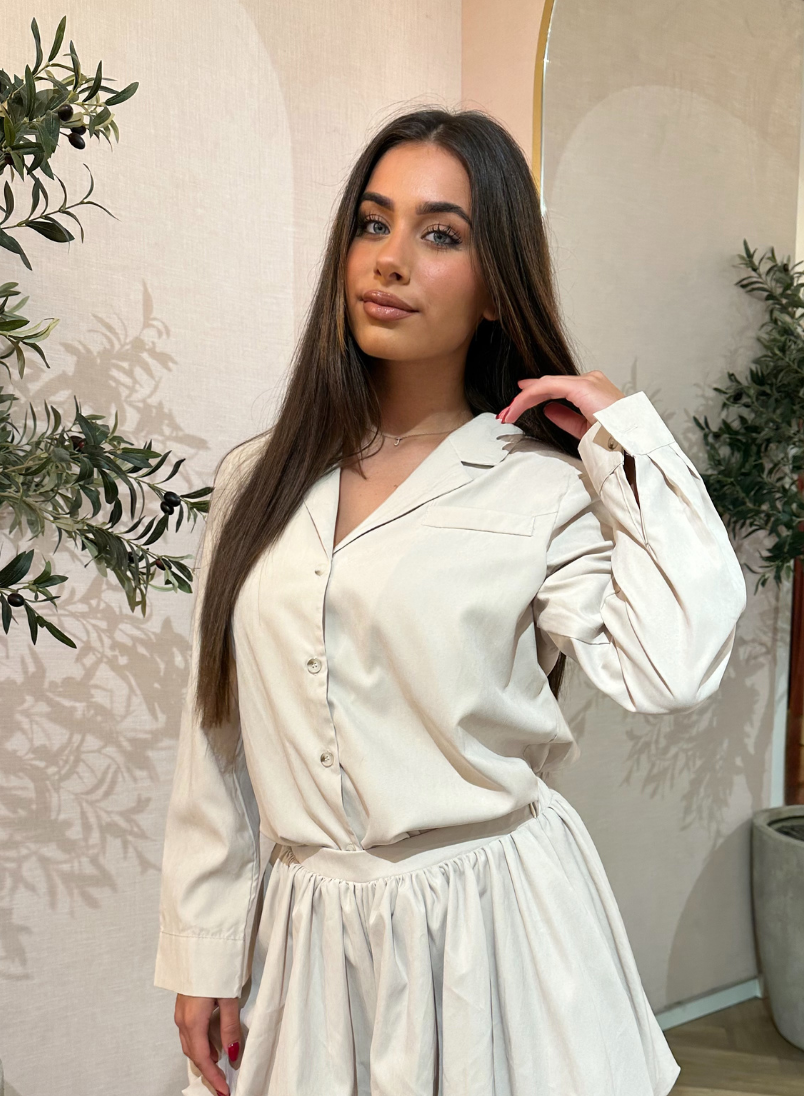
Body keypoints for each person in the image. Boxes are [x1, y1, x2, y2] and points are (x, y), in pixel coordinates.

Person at [153, 107, 746, 1096]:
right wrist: (204, 946)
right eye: (372, 223)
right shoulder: (257, 480)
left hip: (496, 934)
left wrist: (630, 444)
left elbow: (672, 669)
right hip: (309, 937)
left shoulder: (544, 488)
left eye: (440, 234)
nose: (389, 259)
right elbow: (215, 730)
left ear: (496, 285)